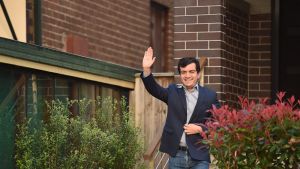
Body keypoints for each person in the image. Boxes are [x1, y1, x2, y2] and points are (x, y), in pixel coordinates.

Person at [141, 47, 220, 169]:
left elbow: (218, 123)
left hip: (200, 156)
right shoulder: (173, 91)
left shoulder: (210, 96)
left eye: (191, 72)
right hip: (176, 155)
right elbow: (154, 89)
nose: (187, 75)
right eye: (183, 72)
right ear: (180, 75)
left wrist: (201, 128)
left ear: (198, 74)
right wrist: (146, 69)